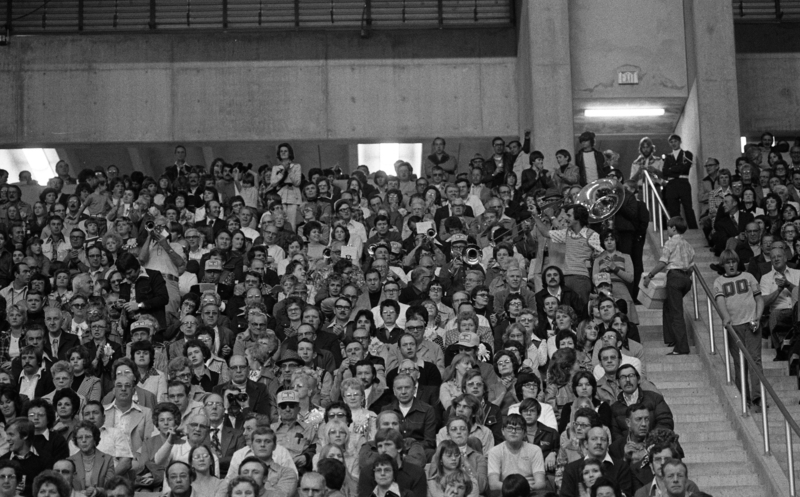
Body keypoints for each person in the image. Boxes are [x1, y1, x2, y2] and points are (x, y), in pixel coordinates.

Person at [713, 250, 765, 409]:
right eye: (727, 262)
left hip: (751, 323)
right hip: (734, 326)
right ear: (723, 265)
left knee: (755, 359)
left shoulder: (748, 277)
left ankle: (758, 398)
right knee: (739, 362)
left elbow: (759, 299)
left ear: (738, 262)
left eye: (733, 262)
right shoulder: (719, 281)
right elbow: (720, 300)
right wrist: (726, 317)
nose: (731, 265)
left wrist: (758, 317)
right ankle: (745, 398)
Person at [642, 217, 694, 355]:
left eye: (668, 227)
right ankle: (671, 338)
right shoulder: (688, 244)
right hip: (686, 279)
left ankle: (681, 347)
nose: (667, 230)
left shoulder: (670, 243)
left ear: (674, 228)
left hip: (674, 277)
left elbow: (663, 262)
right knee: (669, 306)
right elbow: (691, 266)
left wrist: (650, 275)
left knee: (676, 313)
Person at [487, 415, 546, 494]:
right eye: (509, 428)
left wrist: (525, 489)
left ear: (525, 433)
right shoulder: (494, 451)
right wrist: (516, 490)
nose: (513, 431)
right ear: (503, 431)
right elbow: (493, 484)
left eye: (518, 429)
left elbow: (541, 483)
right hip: (506, 492)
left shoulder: (535, 450)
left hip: (530, 491)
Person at [68, 421, 115, 496]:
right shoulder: (69, 461)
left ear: (95, 439)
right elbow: (65, 488)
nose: (83, 440)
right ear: (76, 441)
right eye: (80, 437)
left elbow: (110, 488)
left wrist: (97, 491)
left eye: (87, 437)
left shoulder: (107, 459)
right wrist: (79, 494)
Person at [662, 134, 697, 229]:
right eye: (671, 142)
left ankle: (694, 229)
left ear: (680, 142)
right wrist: (677, 170)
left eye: (675, 141)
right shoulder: (668, 157)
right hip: (672, 185)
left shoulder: (687, 154)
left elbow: (685, 168)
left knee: (688, 208)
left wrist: (671, 170)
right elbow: (664, 172)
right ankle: (676, 229)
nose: (673, 143)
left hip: (683, 184)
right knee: (673, 210)